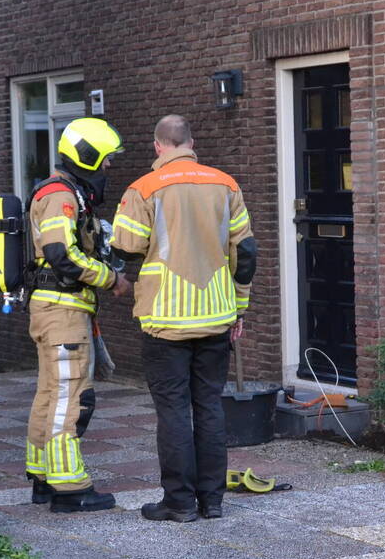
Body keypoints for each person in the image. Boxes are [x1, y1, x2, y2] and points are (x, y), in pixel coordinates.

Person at [110, 114, 257, 522]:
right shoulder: (226, 185)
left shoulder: (142, 189)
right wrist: (239, 307)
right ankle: (212, 501)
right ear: (191, 142)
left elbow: (125, 248)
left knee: (173, 410)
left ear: (159, 146)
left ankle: (179, 502)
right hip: (216, 315)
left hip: (164, 320)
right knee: (209, 405)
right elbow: (245, 253)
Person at [25, 117, 131, 513]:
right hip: (62, 311)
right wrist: (111, 279)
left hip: (54, 309)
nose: (108, 169)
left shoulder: (63, 192)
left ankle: (41, 475)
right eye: (105, 161)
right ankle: (69, 488)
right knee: (72, 397)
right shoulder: (61, 196)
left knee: (50, 393)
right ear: (87, 157)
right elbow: (61, 254)